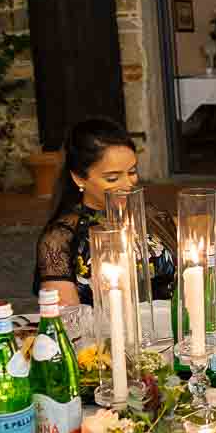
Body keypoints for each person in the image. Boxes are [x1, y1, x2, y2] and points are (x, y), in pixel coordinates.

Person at [34, 118, 177, 306]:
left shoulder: (152, 216)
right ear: (79, 178)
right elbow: (66, 321)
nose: (128, 184)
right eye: (112, 178)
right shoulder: (60, 238)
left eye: (132, 171)